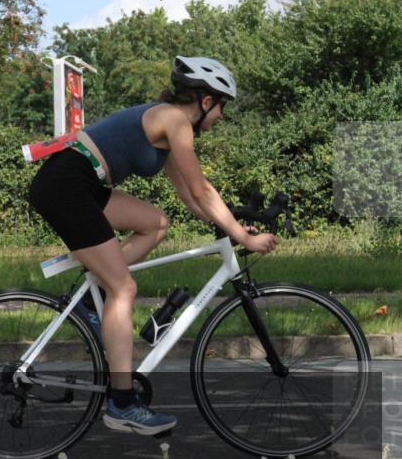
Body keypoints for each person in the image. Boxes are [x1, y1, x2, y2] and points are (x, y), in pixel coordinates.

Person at [27, 55, 279, 435]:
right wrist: (244, 237)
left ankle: (89, 297)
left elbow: (191, 198)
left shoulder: (166, 124)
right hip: (67, 184)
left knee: (156, 223)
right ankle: (122, 403)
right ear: (205, 100)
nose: (221, 117)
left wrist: (227, 226)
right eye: (222, 106)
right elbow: (202, 189)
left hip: (80, 183)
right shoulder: (176, 121)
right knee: (124, 287)